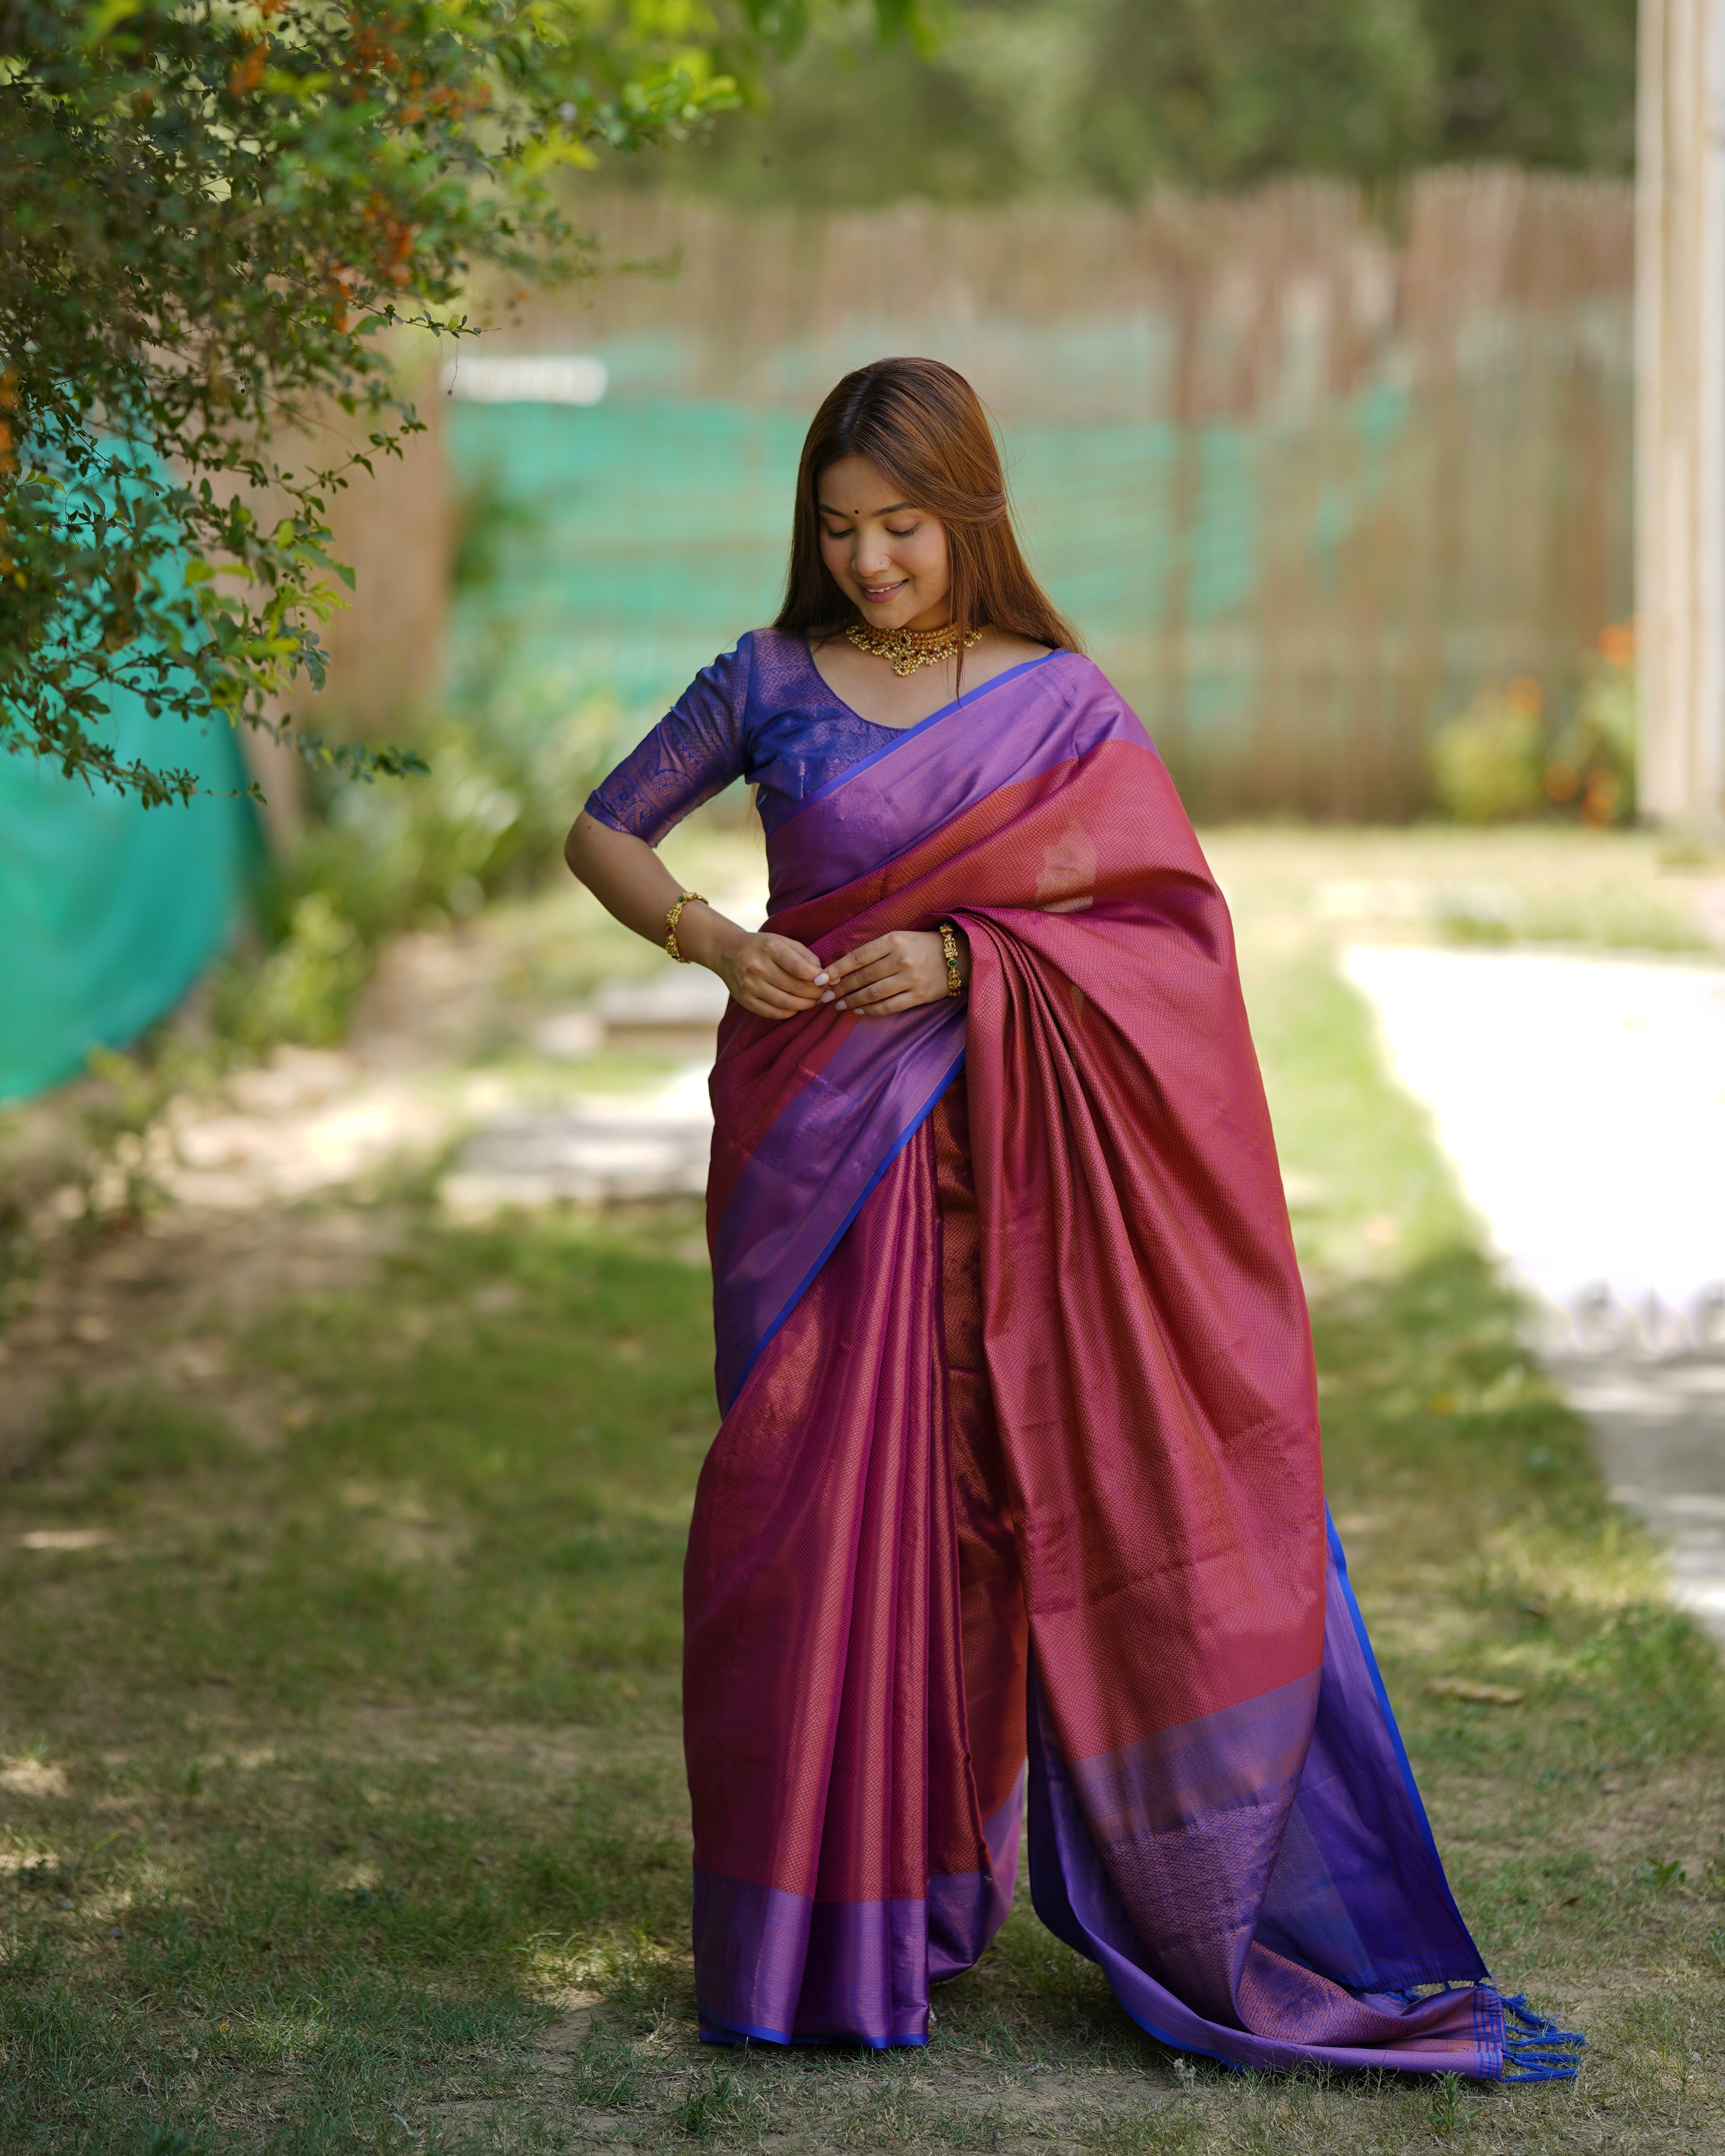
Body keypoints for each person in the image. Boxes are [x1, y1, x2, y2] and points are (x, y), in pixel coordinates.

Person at [563, 356, 1580, 2082]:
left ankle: (984, 1887)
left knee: (983, 1524)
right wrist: (723, 944)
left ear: (969, 513)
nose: (872, 560)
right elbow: (603, 829)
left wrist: (967, 960)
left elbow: (1167, 936)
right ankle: (822, 1910)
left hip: (1018, 1174)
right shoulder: (765, 678)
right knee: (807, 1520)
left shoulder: (1061, 705)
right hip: (822, 1172)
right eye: (838, 527)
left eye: (901, 526)